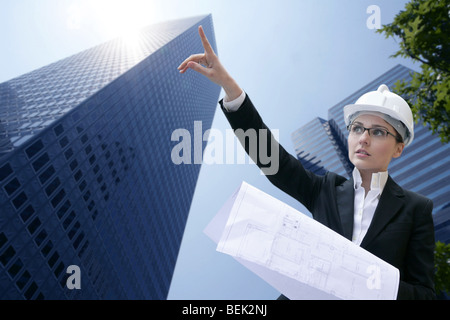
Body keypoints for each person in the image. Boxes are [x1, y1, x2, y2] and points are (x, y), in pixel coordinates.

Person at [178, 26, 436, 300]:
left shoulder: (416, 208)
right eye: (357, 128)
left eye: (378, 132)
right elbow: (274, 162)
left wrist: (367, 280)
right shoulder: (327, 189)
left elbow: (425, 295)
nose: (363, 139)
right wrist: (230, 87)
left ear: (398, 148)